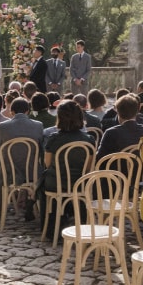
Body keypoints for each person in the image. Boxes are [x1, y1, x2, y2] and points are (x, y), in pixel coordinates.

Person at [38, 99, 96, 237]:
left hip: (56, 183)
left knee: (42, 184)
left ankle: (49, 228)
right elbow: (88, 168)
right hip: (80, 183)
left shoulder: (53, 138)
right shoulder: (89, 140)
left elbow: (47, 163)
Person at [0, 97, 44, 215]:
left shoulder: (2, 126)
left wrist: (1, 164)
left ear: (12, 111)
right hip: (32, 170)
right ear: (28, 111)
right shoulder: (38, 126)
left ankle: (0, 213)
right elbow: (41, 150)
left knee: (0, 169)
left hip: (9, 171)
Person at [97, 94, 143, 159]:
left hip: (114, 168)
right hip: (141, 168)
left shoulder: (110, 133)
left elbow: (99, 158)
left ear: (117, 112)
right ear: (137, 111)